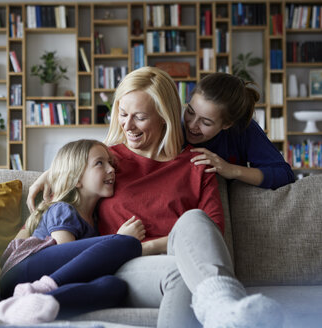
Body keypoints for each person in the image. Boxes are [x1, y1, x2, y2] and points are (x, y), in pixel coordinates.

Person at [26, 67, 284, 328]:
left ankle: (224, 311)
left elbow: (210, 232)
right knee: (181, 275)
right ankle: (227, 309)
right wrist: (55, 172)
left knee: (194, 220)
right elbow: (66, 194)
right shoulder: (107, 161)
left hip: (192, 263)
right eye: (123, 114)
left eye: (139, 117)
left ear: (164, 117)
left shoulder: (198, 163)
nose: (127, 125)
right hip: (126, 265)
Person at [0, 139, 144, 325]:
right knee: (127, 243)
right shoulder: (63, 209)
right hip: (22, 270)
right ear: (77, 178)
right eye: (100, 163)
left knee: (115, 286)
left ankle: (38, 305)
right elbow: (67, 257)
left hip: (29, 285)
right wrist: (119, 241)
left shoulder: (95, 220)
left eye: (110, 163)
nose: (111, 169)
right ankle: (42, 289)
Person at [185, 72, 295, 189]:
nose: (192, 125)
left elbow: (285, 175)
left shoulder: (242, 129)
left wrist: (231, 169)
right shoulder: (172, 125)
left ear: (227, 124)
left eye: (206, 122)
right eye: (190, 112)